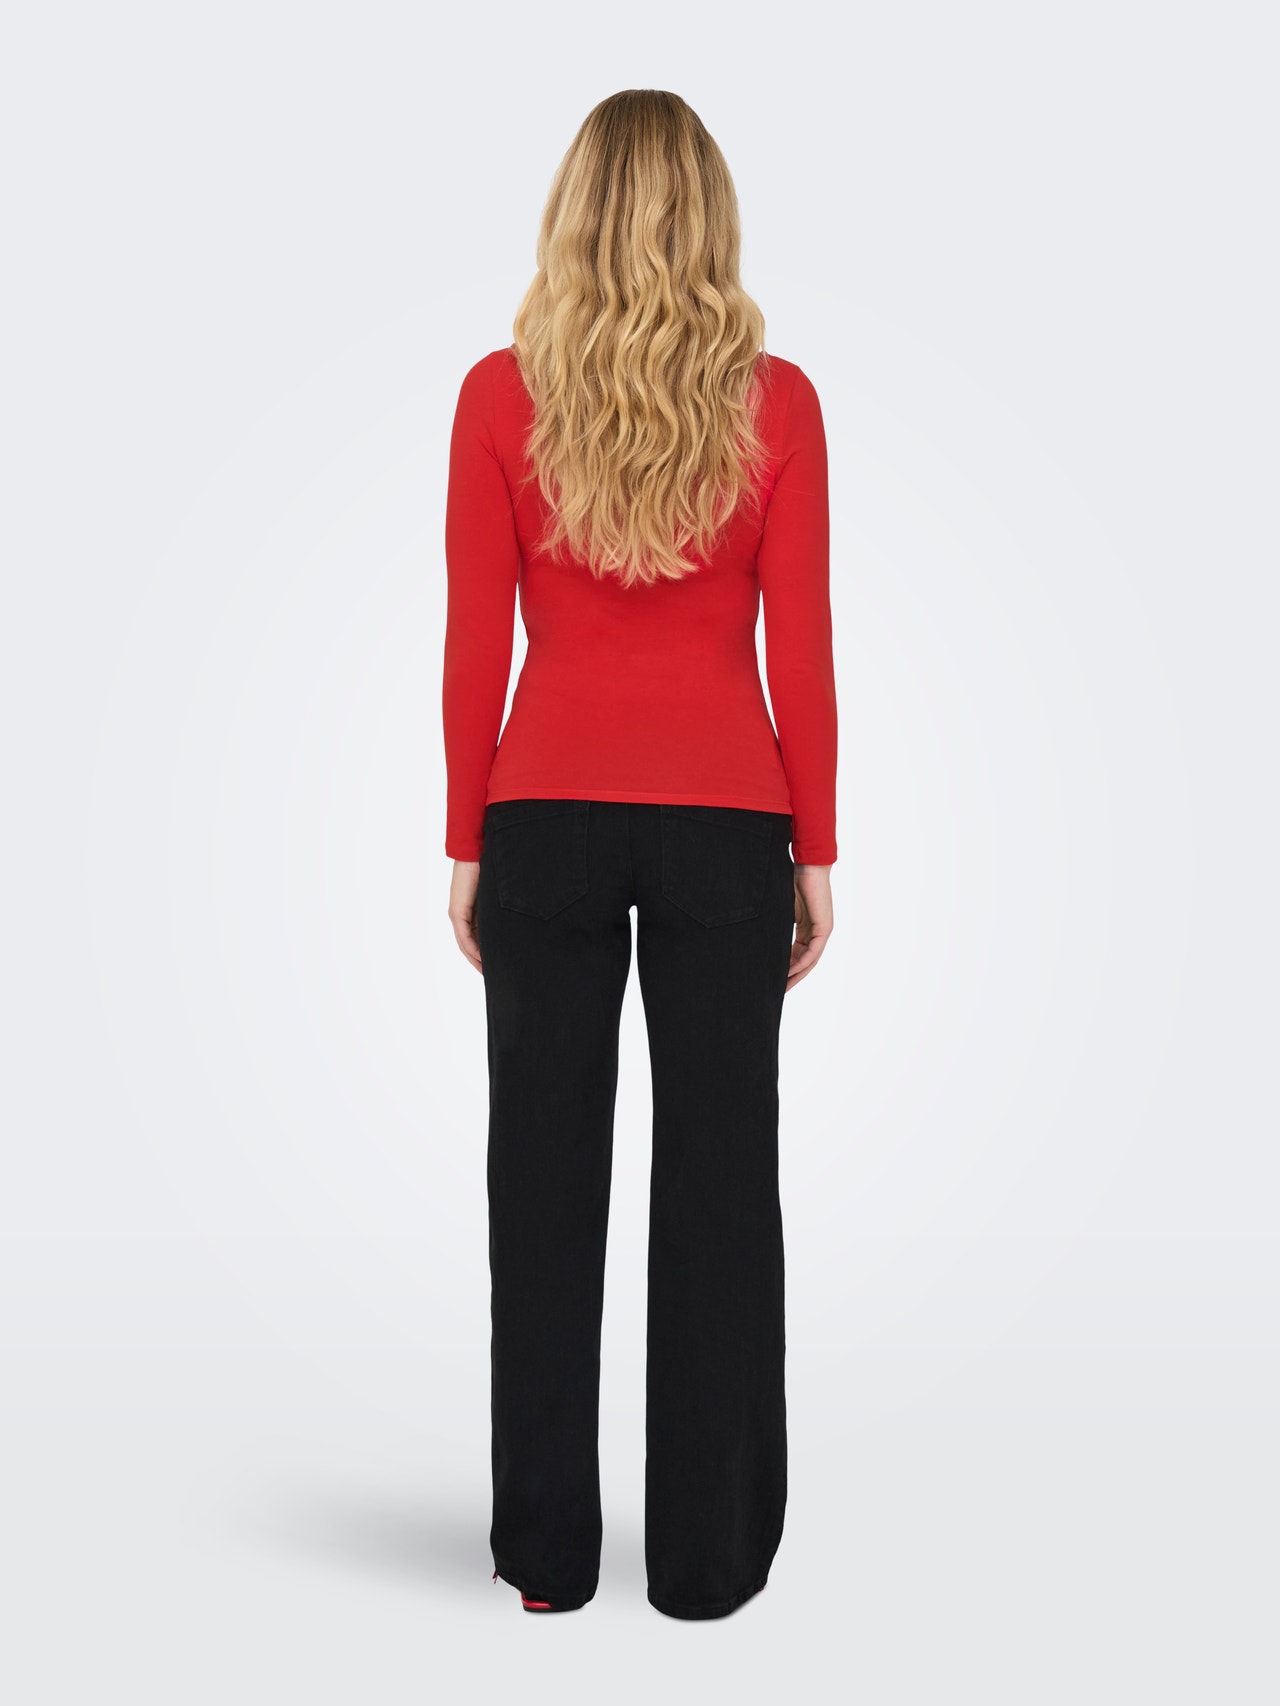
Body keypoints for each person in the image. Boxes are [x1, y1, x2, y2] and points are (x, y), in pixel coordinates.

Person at [442, 88, 837, 1622]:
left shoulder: (500, 396)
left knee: (539, 1179)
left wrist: (464, 835)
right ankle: (708, 1561)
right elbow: (799, 644)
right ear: (710, 218)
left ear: (573, 215)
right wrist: (818, 842)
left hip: (541, 810)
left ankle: (549, 1556)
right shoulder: (778, 403)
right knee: (724, 1180)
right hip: (730, 819)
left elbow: (478, 639)